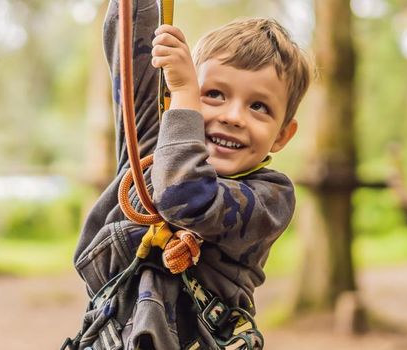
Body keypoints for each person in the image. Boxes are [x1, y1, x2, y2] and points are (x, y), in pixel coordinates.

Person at [72, 0, 311, 348]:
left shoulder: (271, 198)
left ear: (282, 135)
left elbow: (183, 198)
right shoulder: (151, 148)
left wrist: (188, 93)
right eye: (213, 94)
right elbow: (130, 42)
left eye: (258, 106)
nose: (233, 116)